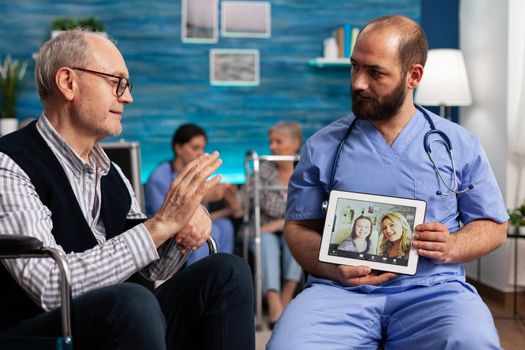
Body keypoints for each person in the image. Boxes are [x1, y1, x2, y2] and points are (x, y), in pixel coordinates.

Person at [0, 30, 254, 350]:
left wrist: (184, 225)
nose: (127, 97)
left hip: (127, 320)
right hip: (43, 332)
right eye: (115, 82)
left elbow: (152, 267)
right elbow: (51, 286)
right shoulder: (8, 165)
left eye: (126, 85)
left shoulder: (112, 172)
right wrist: (160, 224)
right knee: (133, 300)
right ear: (68, 82)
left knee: (227, 271)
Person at [268, 15, 508, 349]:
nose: (358, 83)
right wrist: (332, 267)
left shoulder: (458, 145)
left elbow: (494, 226)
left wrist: (454, 245)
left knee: (471, 341)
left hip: (433, 291)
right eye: (355, 67)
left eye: (375, 72)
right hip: (340, 293)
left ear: (414, 76)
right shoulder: (323, 146)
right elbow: (298, 228)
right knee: (289, 345)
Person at [145, 123, 241, 265]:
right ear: (178, 148)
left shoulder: (195, 176)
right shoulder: (159, 178)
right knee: (211, 230)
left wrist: (230, 200)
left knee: (225, 226)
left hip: (190, 224)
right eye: (195, 148)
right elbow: (165, 219)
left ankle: (223, 271)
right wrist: (205, 196)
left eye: (203, 148)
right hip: (166, 236)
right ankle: (199, 276)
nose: (200, 153)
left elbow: (211, 216)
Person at [241, 121, 303, 328]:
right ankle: (274, 300)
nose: (273, 147)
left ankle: (286, 298)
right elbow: (243, 206)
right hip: (262, 230)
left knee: (295, 236)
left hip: (292, 229)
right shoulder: (262, 170)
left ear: (295, 143)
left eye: (279, 141)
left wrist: (283, 225)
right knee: (265, 240)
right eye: (271, 142)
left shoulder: (305, 170)